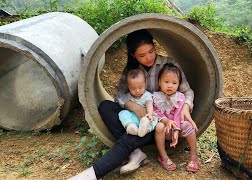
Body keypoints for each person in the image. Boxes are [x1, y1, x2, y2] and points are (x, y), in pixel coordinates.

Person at [69, 29, 195, 180]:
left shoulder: (169, 64)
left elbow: (187, 91)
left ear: (155, 47)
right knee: (105, 106)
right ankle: (135, 153)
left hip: (154, 124)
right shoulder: (132, 70)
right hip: (133, 119)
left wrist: (186, 106)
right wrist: (134, 107)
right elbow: (119, 95)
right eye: (142, 55)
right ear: (133, 55)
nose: (148, 58)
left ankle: (91, 174)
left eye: (151, 51)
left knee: (129, 140)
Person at [153, 63, 199, 173]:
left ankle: (194, 155)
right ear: (159, 82)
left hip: (177, 127)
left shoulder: (180, 97)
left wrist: (176, 130)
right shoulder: (155, 97)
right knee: (159, 126)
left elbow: (179, 115)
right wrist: (167, 121)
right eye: (166, 82)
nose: (170, 86)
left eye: (174, 83)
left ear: (178, 84)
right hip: (165, 128)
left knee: (187, 124)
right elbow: (157, 113)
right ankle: (163, 156)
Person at [118, 68, 158, 137]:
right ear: (128, 87)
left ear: (145, 84)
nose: (137, 91)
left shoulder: (147, 95)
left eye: (140, 87)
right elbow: (121, 101)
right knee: (122, 113)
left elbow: (149, 104)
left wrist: (150, 113)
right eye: (133, 88)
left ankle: (145, 129)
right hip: (133, 118)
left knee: (155, 119)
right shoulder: (128, 96)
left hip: (146, 118)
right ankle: (131, 126)